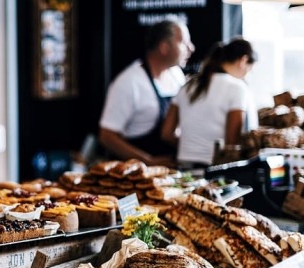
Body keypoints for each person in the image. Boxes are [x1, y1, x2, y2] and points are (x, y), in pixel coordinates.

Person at [99, 19, 194, 167]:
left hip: (171, 170)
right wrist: (147, 161)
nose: (191, 48)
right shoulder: (129, 82)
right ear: (164, 47)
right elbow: (107, 136)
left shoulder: (176, 75)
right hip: (136, 174)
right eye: (183, 43)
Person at [161, 38, 258, 168]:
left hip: (183, 167)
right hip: (214, 169)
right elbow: (232, 144)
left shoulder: (187, 86)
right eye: (250, 69)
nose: (247, 75)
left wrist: (192, 145)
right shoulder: (237, 88)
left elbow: (167, 133)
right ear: (243, 60)